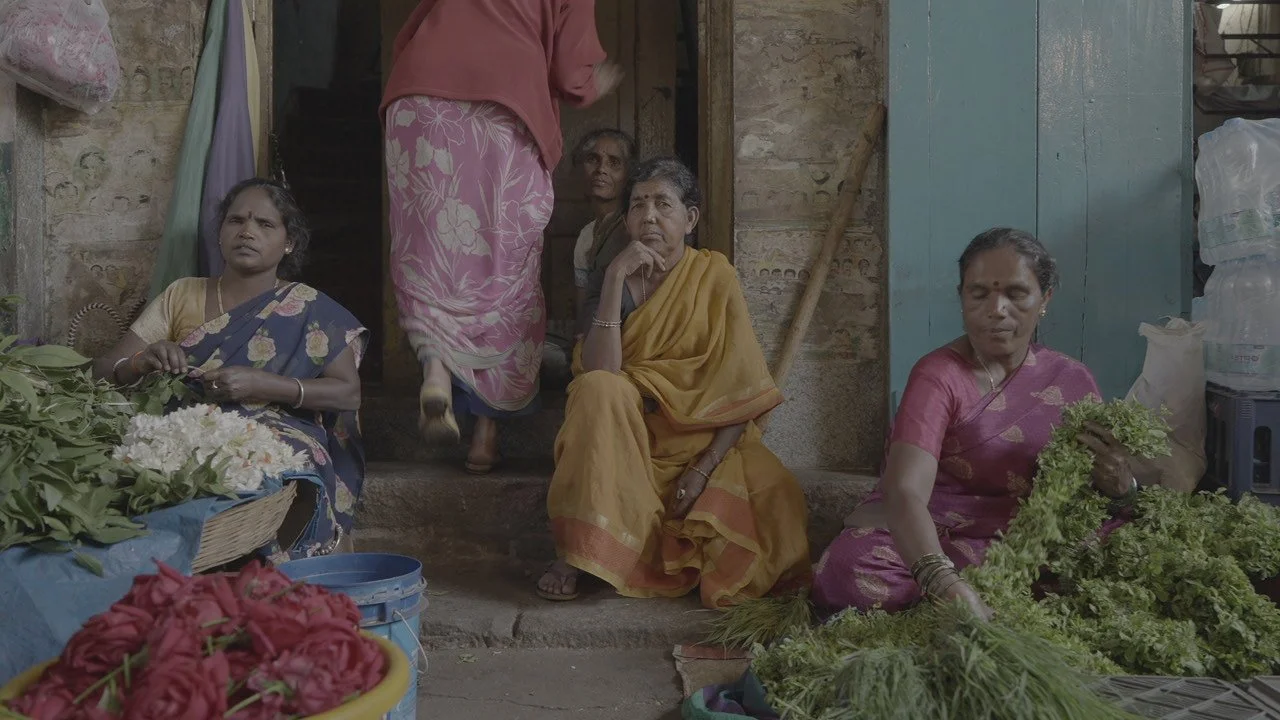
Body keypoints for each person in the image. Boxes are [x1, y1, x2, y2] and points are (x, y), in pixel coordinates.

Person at [810, 228, 1138, 617]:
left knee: (1129, 555)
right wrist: (942, 580)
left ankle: (985, 600)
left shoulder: (1071, 379)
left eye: (1016, 294)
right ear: (962, 298)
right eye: (979, 293)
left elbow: (1094, 493)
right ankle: (973, 600)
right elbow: (904, 491)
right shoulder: (939, 376)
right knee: (852, 571)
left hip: (1028, 539)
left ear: (1044, 299)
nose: (996, 309)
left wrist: (1123, 488)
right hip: (936, 535)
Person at [537, 157, 811, 608]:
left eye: (663, 204)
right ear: (626, 220)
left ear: (691, 219)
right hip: (630, 440)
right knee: (596, 390)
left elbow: (740, 388)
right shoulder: (618, 280)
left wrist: (704, 468)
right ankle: (583, 554)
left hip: (703, 440)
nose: (649, 216)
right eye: (639, 205)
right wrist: (612, 278)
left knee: (776, 493)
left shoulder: (713, 275)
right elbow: (601, 373)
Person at [382, 0, 624, 475]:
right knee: (504, 269)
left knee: (429, 253)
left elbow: (408, 34)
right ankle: (484, 440)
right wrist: (599, 83)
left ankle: (434, 368)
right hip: (503, 107)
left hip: (418, 98)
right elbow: (573, 76)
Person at [93, 178, 369, 559]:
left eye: (265, 224)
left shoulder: (309, 307)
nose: (247, 232)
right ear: (221, 235)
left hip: (274, 437)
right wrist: (141, 363)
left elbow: (347, 392)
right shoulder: (183, 294)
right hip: (184, 429)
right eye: (236, 221)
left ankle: (282, 575)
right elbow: (104, 370)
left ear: (288, 242)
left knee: (286, 465)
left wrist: (266, 385)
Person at [570, 128, 634, 326]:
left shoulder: (633, 228)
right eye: (592, 159)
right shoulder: (586, 236)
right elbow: (584, 303)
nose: (601, 169)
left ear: (628, 174)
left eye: (614, 163)